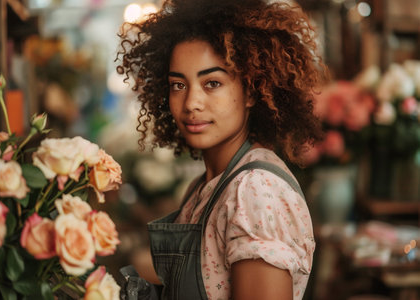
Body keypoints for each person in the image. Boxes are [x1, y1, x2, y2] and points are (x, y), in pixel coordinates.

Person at [116, 0, 327, 299]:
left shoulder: (254, 191)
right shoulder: (202, 188)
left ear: (252, 90)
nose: (191, 103)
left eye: (212, 83)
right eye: (178, 85)